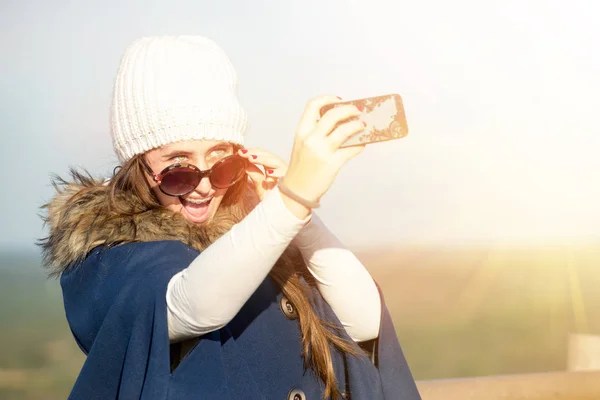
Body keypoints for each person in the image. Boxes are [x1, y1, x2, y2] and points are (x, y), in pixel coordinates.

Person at [40, 35, 421, 400]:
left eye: (222, 163)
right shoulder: (107, 254)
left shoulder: (260, 228)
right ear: (138, 167)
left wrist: (301, 217)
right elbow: (192, 303)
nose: (204, 186)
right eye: (178, 170)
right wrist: (293, 197)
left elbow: (363, 322)